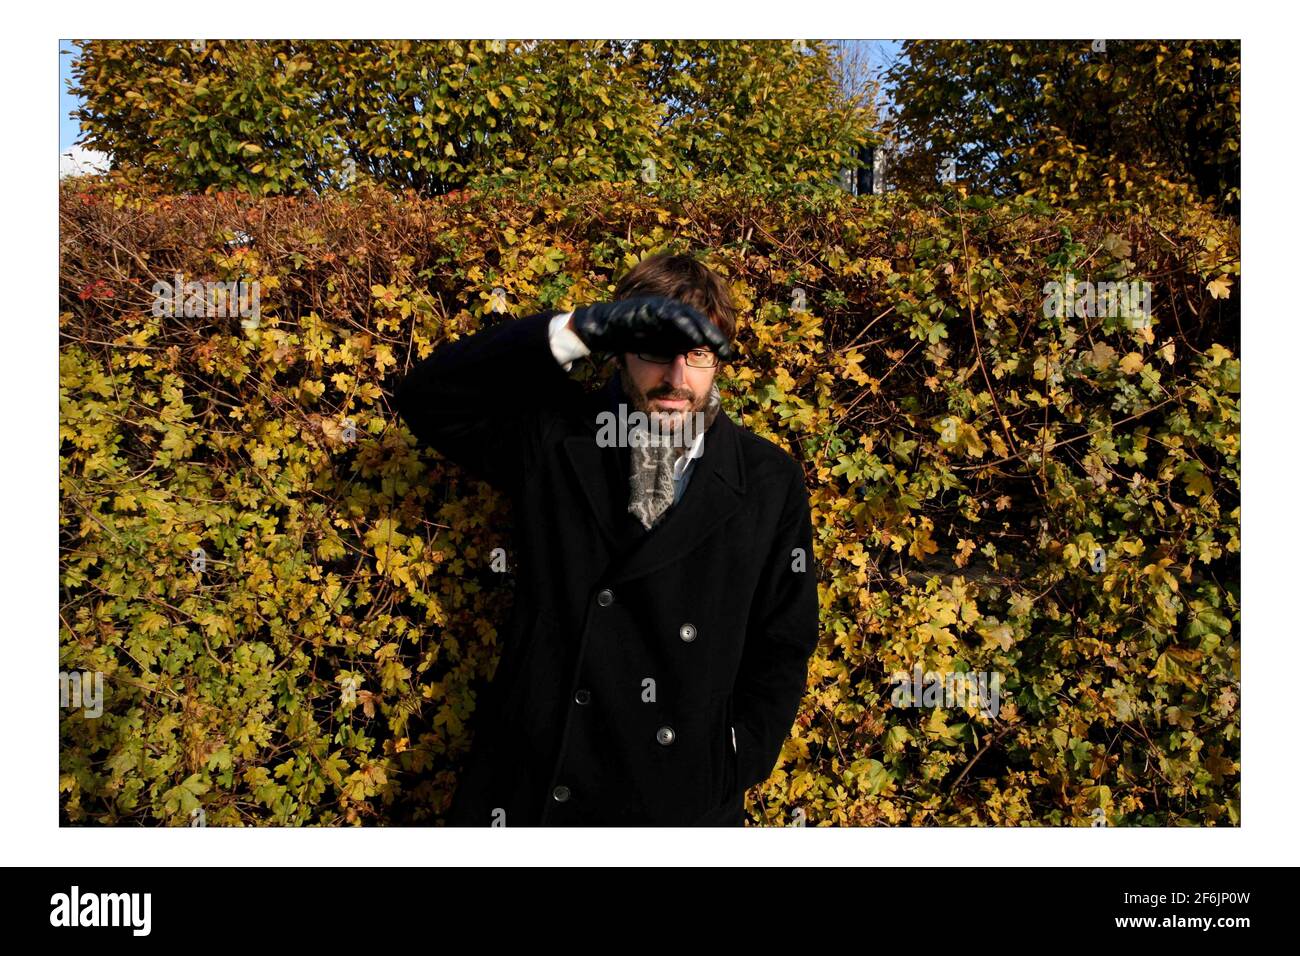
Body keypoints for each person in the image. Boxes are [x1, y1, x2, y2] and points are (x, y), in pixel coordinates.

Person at [394, 252, 819, 826]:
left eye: (697, 354)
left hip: (678, 798)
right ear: (618, 348)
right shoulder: (556, 436)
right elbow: (427, 399)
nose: (676, 379)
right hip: (543, 784)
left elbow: (785, 639)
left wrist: (737, 757)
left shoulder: (769, 479)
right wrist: (576, 330)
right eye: (654, 350)